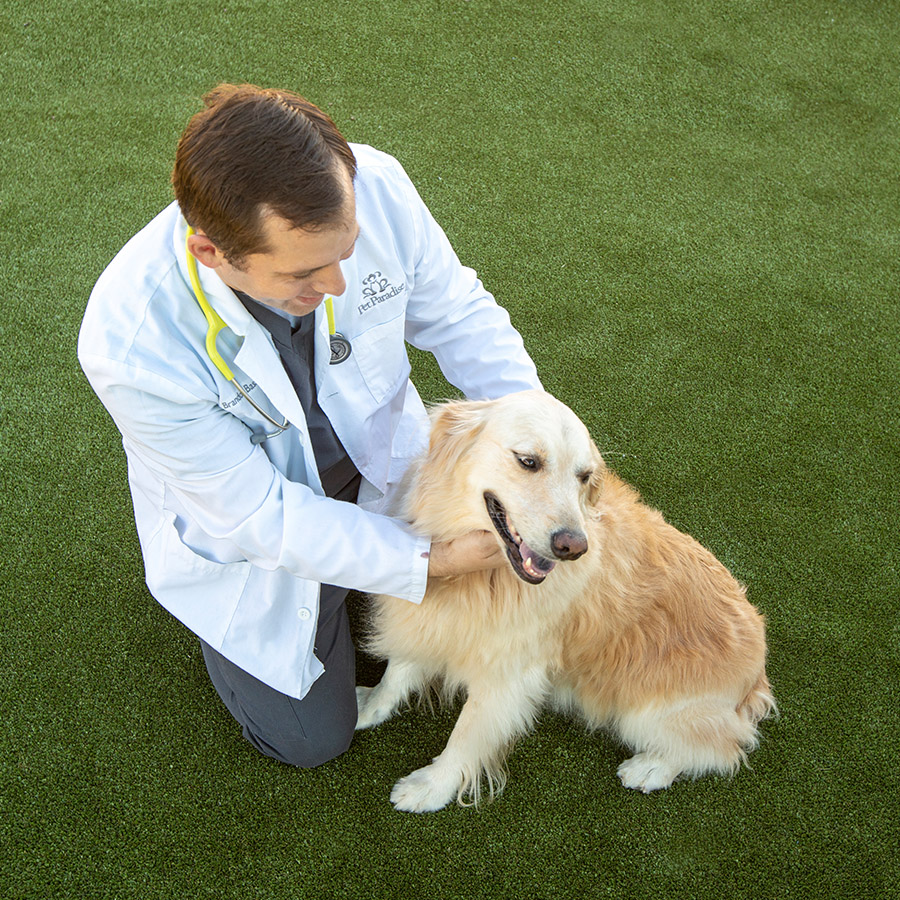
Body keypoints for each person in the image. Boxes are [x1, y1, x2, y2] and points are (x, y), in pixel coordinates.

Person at [78, 84, 541, 768]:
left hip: (380, 463)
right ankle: (276, 624)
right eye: (302, 272)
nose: (337, 284)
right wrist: (429, 562)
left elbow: (458, 314)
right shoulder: (132, 344)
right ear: (212, 253)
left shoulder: (376, 183)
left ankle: (360, 571)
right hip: (260, 527)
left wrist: (536, 436)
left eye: (346, 250)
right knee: (310, 741)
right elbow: (258, 516)